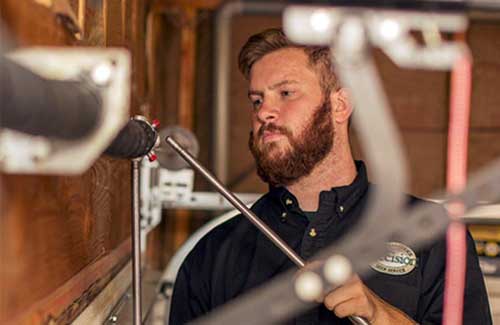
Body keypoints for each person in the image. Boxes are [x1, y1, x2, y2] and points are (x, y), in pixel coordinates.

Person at [169, 28, 491, 325]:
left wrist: (378, 315)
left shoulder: (435, 237)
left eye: (285, 93)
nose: (263, 112)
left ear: (340, 105)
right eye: (257, 100)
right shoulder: (210, 255)